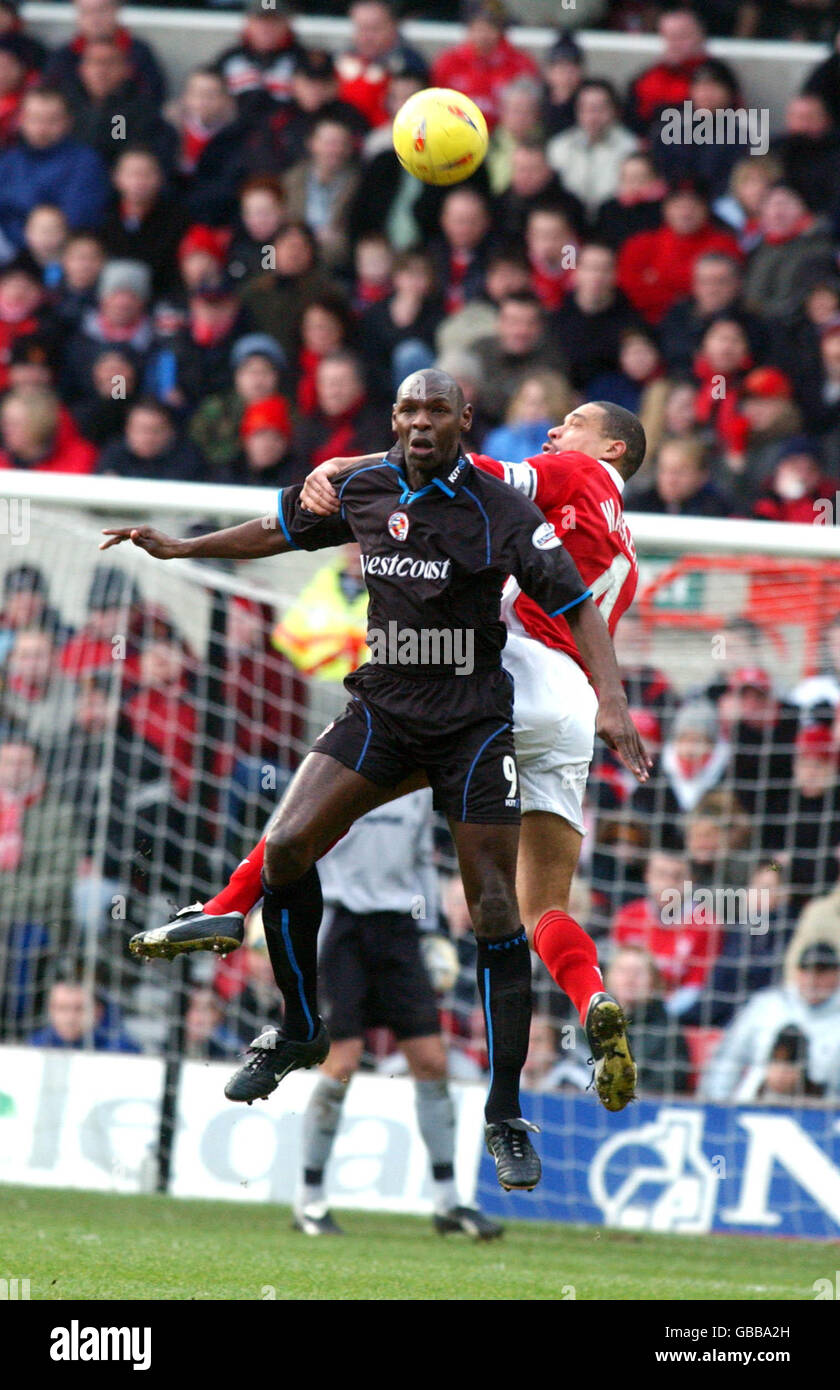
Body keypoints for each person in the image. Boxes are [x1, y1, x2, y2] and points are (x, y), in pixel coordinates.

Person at [101, 368, 648, 1192]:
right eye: (407, 412)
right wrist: (180, 547)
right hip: (415, 704)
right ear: (394, 416)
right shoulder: (374, 489)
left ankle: (500, 1114)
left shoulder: (517, 499)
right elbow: (280, 528)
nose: (549, 434)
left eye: (437, 412)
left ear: (467, 420)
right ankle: (297, 1019)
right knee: (304, 846)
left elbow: (568, 601)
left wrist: (617, 701)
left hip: (486, 707)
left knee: (492, 909)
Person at [292, 789, 501, 1240]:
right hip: (338, 925)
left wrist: (431, 931)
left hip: (400, 931)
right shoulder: (335, 772)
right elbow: (286, 839)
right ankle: (308, 1199)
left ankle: (448, 1202)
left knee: (431, 1060)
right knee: (342, 1062)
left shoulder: (418, 788)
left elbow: (422, 860)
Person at [701, 941, 840, 1101]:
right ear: (796, 972)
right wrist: (717, 1105)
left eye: (821, 972)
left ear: (836, 975)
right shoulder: (766, 1006)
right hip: (752, 1105)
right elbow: (729, 1058)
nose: (812, 979)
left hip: (823, 1112)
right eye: (806, 970)